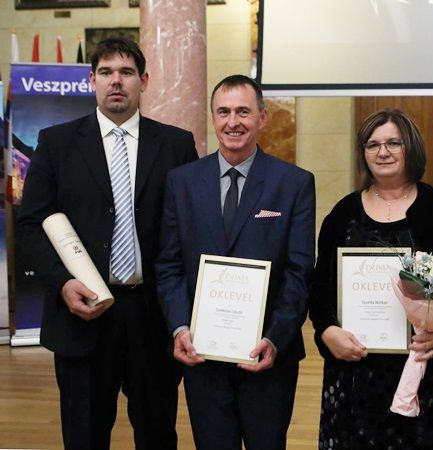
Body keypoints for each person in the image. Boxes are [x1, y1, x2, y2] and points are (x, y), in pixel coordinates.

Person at [16, 37, 198, 449]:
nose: (116, 81)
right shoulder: (56, 143)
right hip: (81, 315)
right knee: (84, 436)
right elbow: (30, 226)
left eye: (127, 72)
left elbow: (190, 231)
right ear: (91, 80)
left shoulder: (176, 145)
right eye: (106, 72)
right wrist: (63, 284)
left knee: (157, 435)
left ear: (143, 81)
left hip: (152, 318)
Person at [156, 74, 315, 450]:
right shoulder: (181, 182)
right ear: (213, 118)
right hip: (203, 355)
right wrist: (180, 328)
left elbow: (299, 272)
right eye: (223, 112)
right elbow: (169, 265)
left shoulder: (293, 183)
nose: (233, 122)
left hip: (268, 356)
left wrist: (274, 338)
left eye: (243, 112)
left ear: (262, 117)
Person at [308, 109, 433, 449]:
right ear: (363, 153)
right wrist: (327, 331)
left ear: (411, 147)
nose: (383, 152)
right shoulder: (343, 214)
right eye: (373, 144)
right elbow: (320, 286)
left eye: (394, 143)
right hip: (354, 369)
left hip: (423, 365)